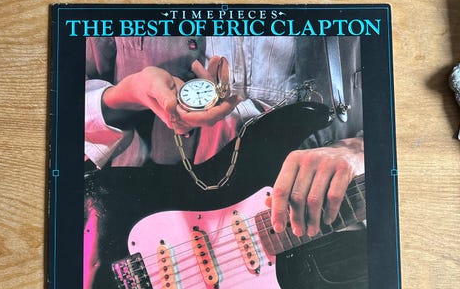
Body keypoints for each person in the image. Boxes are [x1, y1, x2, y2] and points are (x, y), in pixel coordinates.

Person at [85, 35, 364, 239]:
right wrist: (127, 94)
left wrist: (359, 151)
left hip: (306, 240)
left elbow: (390, 121)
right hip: (142, 228)